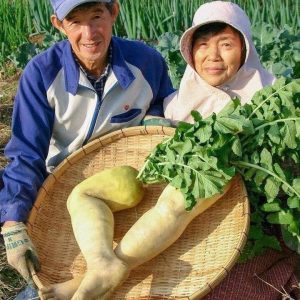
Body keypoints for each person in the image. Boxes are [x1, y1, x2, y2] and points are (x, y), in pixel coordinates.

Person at [0, 0, 174, 295]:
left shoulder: (146, 62)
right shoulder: (41, 74)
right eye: (75, 22)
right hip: (66, 195)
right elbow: (26, 155)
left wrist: (158, 120)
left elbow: (162, 109)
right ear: (58, 24)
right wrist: (12, 222)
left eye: (96, 17)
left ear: (114, 12)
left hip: (138, 187)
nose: (89, 33)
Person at [164, 1, 300, 300]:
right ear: (190, 53)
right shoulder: (175, 106)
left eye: (226, 44)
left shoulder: (274, 99)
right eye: (202, 45)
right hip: (196, 228)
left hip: (257, 229)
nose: (212, 56)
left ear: (245, 48)